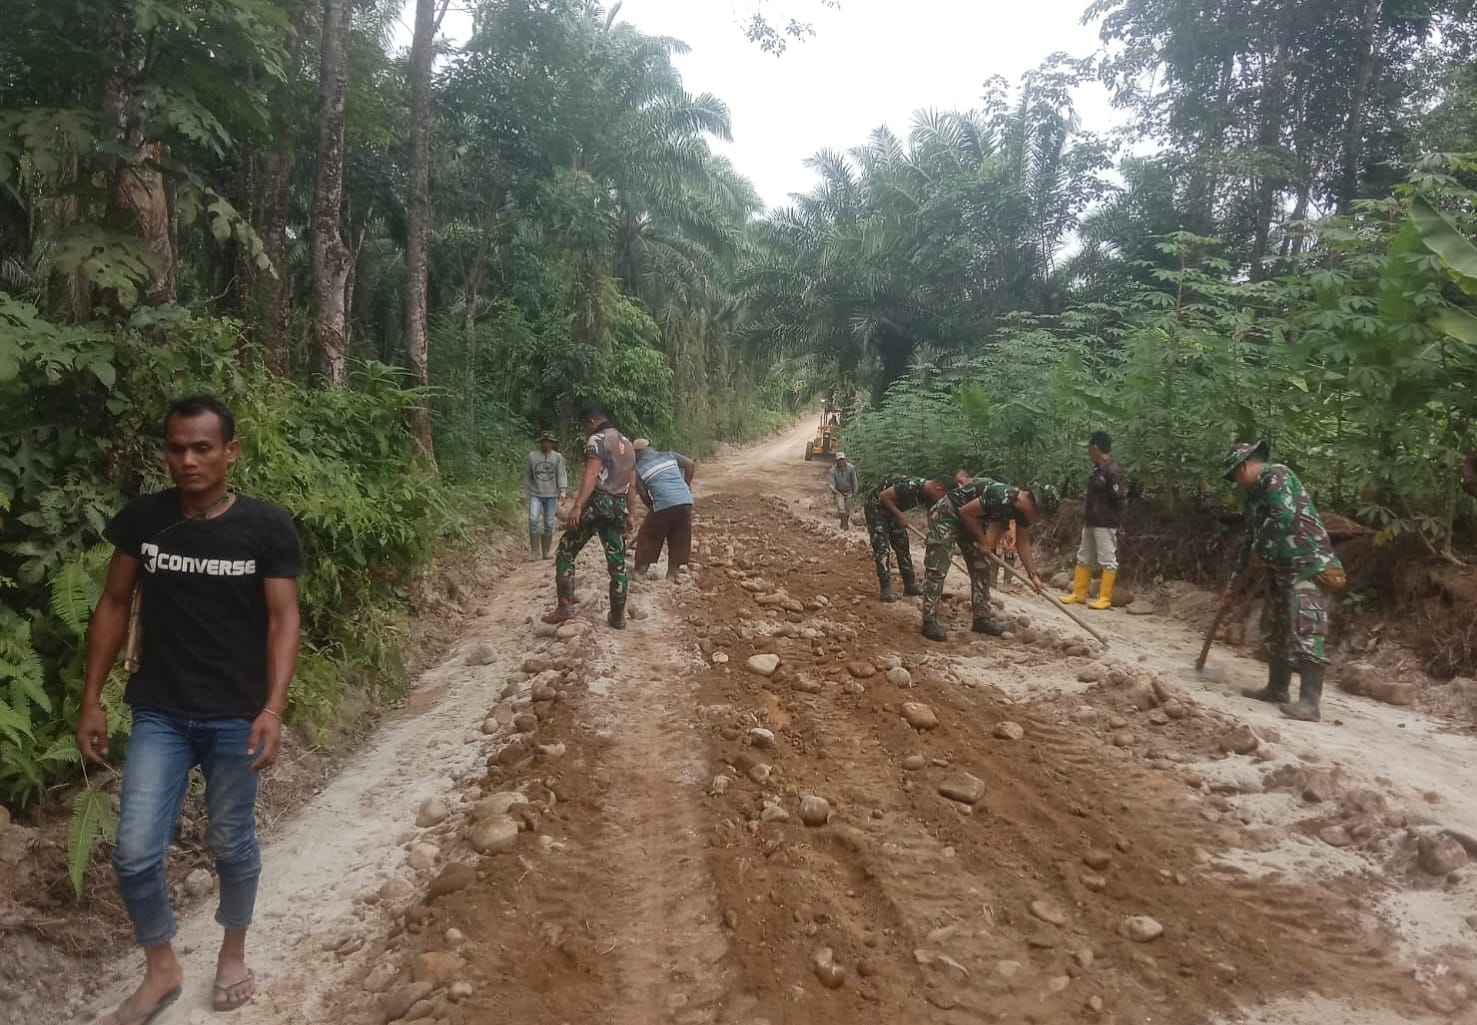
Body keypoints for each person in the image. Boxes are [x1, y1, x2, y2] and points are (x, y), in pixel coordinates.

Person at [78, 395, 304, 1024]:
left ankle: (232, 954)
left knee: (230, 839)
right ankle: (162, 968)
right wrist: (90, 698)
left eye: (203, 448)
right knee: (134, 852)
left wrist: (273, 708)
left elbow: (284, 620)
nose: (189, 460)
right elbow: (113, 604)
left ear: (231, 452)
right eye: (177, 448)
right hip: (160, 712)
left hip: (237, 713)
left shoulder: (265, 527)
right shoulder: (144, 520)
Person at [1222, 440, 1345, 722]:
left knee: (1306, 626)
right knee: (1274, 627)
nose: (1236, 482)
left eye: (1235, 475)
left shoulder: (1276, 475)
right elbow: (1249, 543)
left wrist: (1262, 549)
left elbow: (1283, 515)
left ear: (1244, 466)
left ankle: (1310, 703)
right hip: (1280, 568)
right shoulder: (1254, 497)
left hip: (1307, 565)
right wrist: (1234, 584)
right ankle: (1277, 689)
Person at [920, 476, 1059, 642]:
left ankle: (982, 619)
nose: (1038, 520)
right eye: (1040, 515)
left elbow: (1022, 543)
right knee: (938, 566)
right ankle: (929, 621)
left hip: (972, 520)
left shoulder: (1021, 511)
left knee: (981, 567)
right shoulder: (1001, 496)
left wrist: (1033, 575)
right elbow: (965, 512)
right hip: (949, 514)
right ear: (1033, 505)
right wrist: (983, 541)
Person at [543, 401, 637, 629]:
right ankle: (617, 617)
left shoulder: (597, 440)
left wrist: (577, 506)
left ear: (591, 422)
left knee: (566, 549)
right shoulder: (628, 444)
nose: (586, 431)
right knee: (617, 564)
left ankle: (564, 607)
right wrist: (631, 514)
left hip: (597, 504)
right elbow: (632, 485)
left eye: (586, 426)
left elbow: (592, 474)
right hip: (618, 508)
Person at [862, 471, 968, 602]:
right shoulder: (911, 486)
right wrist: (900, 516)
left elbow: (931, 515)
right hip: (876, 508)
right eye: (943, 497)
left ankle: (910, 585)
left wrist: (934, 535)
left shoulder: (929, 495)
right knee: (882, 548)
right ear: (938, 488)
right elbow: (884, 496)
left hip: (893, 510)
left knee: (903, 545)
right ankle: (885, 588)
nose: (942, 500)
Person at [1060, 430, 1128, 610]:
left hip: (1105, 522)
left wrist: (1117, 521)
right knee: (1084, 556)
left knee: (1107, 558)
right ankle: (1079, 593)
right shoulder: (1098, 468)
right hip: (1091, 520)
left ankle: (1104, 598)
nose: (1088, 450)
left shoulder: (1112, 470)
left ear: (1095, 447)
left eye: (1090, 447)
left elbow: (1120, 499)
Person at [632, 438, 697, 579]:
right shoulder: (669, 455)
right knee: (680, 534)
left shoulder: (638, 469)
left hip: (664, 503)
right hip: (685, 500)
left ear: (636, 453)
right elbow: (690, 464)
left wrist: (653, 508)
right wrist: (686, 485)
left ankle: (640, 570)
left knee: (648, 534)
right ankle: (674, 572)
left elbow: (643, 495)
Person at [522, 430, 568, 559]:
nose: (546, 444)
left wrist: (563, 490)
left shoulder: (557, 457)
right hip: (536, 493)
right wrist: (524, 492)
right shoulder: (532, 456)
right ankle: (535, 551)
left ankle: (546, 551)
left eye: (549, 442)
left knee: (549, 523)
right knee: (533, 519)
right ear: (541, 442)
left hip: (551, 494)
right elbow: (528, 476)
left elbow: (561, 474)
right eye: (544, 442)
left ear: (552, 443)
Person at [828, 452, 859, 529]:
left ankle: (846, 522)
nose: (841, 462)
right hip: (839, 491)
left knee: (848, 508)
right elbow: (831, 483)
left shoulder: (851, 468)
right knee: (841, 507)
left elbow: (854, 481)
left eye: (842, 460)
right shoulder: (833, 471)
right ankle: (843, 523)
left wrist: (855, 492)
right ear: (836, 461)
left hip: (849, 491)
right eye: (839, 460)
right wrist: (833, 490)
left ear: (845, 460)